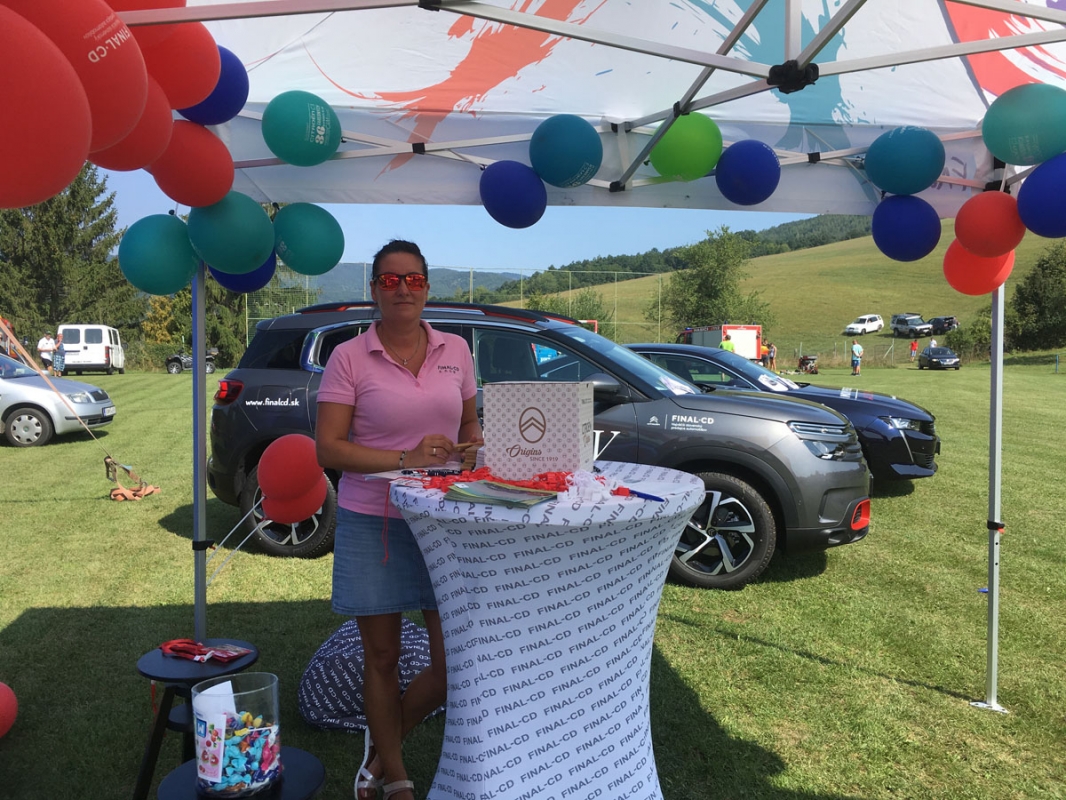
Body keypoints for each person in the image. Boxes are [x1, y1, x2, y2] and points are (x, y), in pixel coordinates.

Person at [315, 240, 483, 800]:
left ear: (427, 288)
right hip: (374, 519)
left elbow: (471, 429)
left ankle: (380, 752)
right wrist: (406, 458)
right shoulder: (348, 357)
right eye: (389, 280)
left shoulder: (457, 349)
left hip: (444, 520)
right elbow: (328, 449)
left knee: (452, 662)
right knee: (383, 657)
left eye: (413, 279)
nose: (402, 289)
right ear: (374, 290)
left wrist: (470, 449)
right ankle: (397, 775)